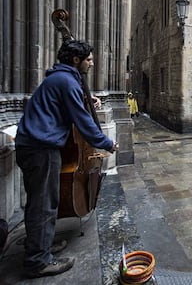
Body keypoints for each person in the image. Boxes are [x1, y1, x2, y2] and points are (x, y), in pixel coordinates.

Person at [15, 40, 118, 278]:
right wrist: (106, 143)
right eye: (89, 59)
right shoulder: (67, 81)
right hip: (41, 148)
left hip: (32, 145)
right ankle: (37, 262)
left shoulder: (59, 79)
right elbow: (83, 121)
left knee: (39, 201)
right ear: (76, 60)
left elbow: (66, 106)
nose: (92, 63)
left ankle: (41, 246)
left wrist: (86, 100)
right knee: (44, 204)